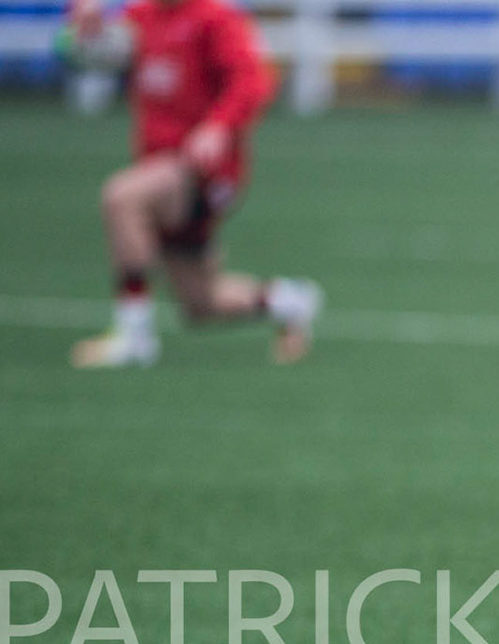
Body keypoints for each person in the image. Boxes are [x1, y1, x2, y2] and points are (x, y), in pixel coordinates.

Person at [57, 0, 322, 368]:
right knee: (200, 304)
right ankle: (288, 301)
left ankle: (134, 336)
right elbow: (88, 57)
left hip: (204, 170)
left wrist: (218, 127)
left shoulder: (216, 18)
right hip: (159, 166)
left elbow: (254, 81)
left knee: (122, 197)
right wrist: (85, 27)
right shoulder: (141, 17)